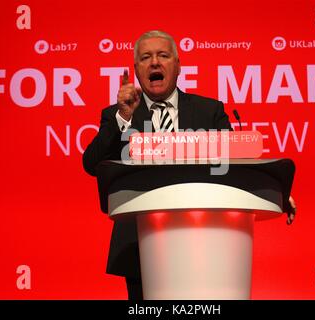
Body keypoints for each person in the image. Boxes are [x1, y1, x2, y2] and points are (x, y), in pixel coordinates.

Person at [83, 30, 297, 300]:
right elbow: (92, 164)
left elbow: (237, 164)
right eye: (146, 57)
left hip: (210, 243)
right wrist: (123, 117)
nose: (155, 63)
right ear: (136, 70)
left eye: (163, 55)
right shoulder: (119, 113)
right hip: (140, 245)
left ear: (178, 65)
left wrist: (274, 189)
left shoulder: (210, 111)